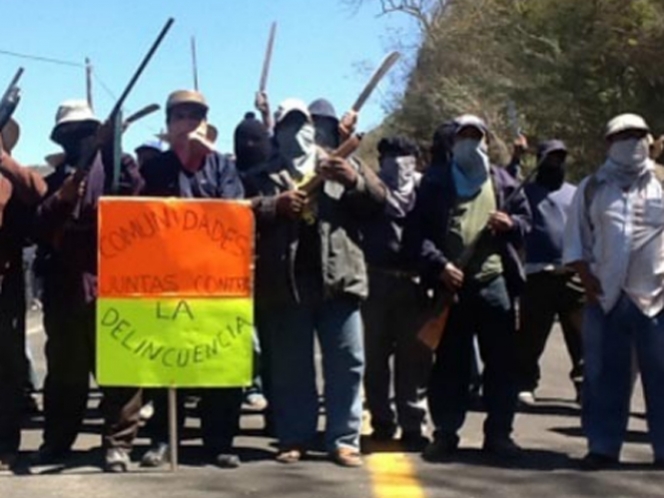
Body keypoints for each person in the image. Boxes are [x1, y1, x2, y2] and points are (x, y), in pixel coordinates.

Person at [244, 98, 386, 467]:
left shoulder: (342, 161)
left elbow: (380, 202)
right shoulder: (263, 174)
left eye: (301, 123)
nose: (296, 131)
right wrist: (274, 206)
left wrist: (353, 180)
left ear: (312, 126)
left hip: (339, 280)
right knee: (292, 368)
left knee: (348, 362)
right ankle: (294, 437)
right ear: (277, 132)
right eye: (288, 124)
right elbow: (241, 210)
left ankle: (343, 439)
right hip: (287, 284)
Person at [405, 114, 531, 461]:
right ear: (454, 141)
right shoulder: (434, 183)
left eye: (477, 136)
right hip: (453, 289)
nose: (470, 143)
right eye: (464, 136)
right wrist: (440, 266)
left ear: (486, 141)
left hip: (496, 284)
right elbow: (416, 236)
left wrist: (510, 223)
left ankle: (500, 434)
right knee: (450, 366)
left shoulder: (503, 182)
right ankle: (445, 434)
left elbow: (526, 222)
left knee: (502, 364)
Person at [34, 100, 143, 472]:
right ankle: (57, 441)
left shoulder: (120, 167)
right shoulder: (51, 182)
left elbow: (138, 199)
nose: (77, 139)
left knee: (119, 373)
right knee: (64, 375)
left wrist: (113, 150)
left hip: (112, 285)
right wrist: (63, 198)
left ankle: (118, 445)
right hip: (64, 290)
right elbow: (39, 228)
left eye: (85, 133)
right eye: (70, 134)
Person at [140, 90, 245, 470]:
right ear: (169, 124)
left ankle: (220, 441)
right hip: (166, 285)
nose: (190, 121)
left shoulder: (223, 168)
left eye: (197, 115)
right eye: (182, 115)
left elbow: (235, 215)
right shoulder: (154, 170)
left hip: (215, 284)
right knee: (166, 367)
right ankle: (162, 440)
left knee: (219, 363)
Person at [564, 113, 664, 470]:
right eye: (623, 136)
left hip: (656, 299)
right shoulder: (593, 187)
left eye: (638, 135)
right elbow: (576, 241)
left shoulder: (661, 184)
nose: (632, 141)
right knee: (604, 376)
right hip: (605, 299)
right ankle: (603, 446)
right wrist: (587, 280)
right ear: (608, 143)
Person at [361, 136, 432, 450]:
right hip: (376, 282)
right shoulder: (371, 190)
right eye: (391, 156)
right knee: (375, 358)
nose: (398, 163)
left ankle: (413, 425)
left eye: (405, 156)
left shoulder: (426, 189)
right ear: (380, 161)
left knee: (413, 358)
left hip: (415, 284)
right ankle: (381, 421)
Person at [516, 140, 584, 405]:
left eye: (559, 158)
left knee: (581, 336)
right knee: (530, 337)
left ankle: (583, 384)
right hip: (536, 274)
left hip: (572, 273)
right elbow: (507, 190)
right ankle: (525, 384)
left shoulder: (576, 193)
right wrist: (515, 158)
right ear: (539, 161)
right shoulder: (525, 192)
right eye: (549, 159)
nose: (555, 163)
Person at [0, 119, 47, 471]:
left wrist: (3, 160)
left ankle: (5, 444)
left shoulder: (13, 175)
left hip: (6, 284)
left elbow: (39, 191)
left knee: (8, 368)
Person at [234, 111, 272, 418]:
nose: (248, 145)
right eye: (242, 140)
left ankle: (270, 396)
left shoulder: (275, 175)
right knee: (247, 337)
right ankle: (251, 386)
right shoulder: (230, 176)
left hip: (271, 267)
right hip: (234, 269)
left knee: (270, 340)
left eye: (254, 139)